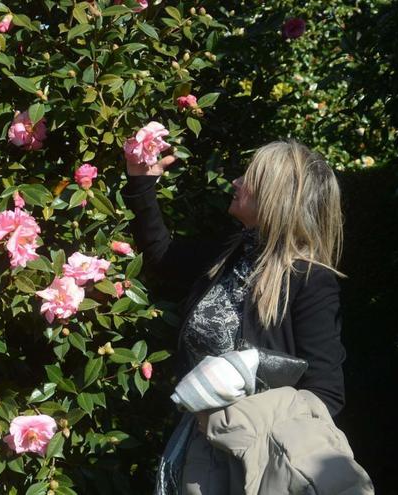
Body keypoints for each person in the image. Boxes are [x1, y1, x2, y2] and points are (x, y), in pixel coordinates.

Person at [121, 140, 347, 494]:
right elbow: (163, 258)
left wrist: (238, 421)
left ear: (276, 195)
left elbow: (325, 393)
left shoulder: (309, 280)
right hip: (198, 447)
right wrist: (140, 180)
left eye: (250, 177)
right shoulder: (233, 253)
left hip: (254, 460)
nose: (236, 182)